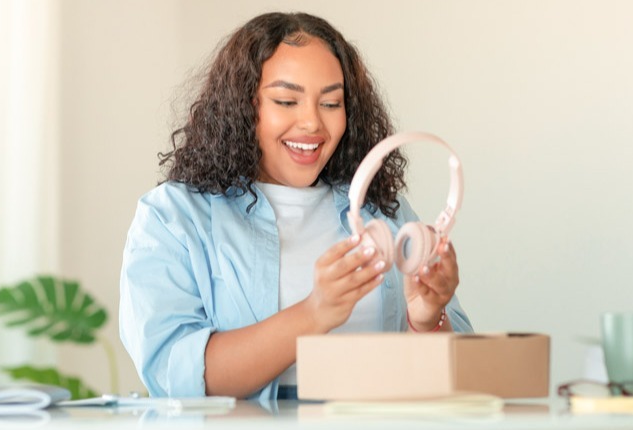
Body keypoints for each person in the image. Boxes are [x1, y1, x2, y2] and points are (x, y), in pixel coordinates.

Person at [119, 11, 473, 402]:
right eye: (287, 101)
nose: (312, 123)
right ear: (243, 106)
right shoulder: (173, 217)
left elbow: (455, 382)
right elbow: (175, 377)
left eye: (331, 103)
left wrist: (427, 318)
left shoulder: (383, 212)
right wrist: (313, 313)